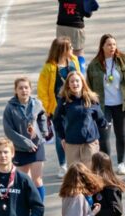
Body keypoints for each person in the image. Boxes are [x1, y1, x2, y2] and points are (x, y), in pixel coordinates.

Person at [86, 34, 125, 175]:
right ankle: (106, 166)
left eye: (114, 44)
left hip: (121, 105)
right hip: (103, 106)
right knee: (104, 136)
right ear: (102, 47)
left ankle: (121, 163)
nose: (112, 47)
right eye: (108, 45)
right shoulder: (94, 65)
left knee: (121, 134)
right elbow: (88, 86)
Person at [37, 36, 82, 175]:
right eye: (70, 47)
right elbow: (42, 89)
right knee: (61, 135)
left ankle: (74, 162)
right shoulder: (49, 67)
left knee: (75, 132)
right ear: (63, 50)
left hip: (74, 103)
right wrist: (46, 108)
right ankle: (62, 164)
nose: (73, 50)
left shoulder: (73, 61)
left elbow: (79, 79)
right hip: (58, 106)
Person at [3, 77, 48, 202]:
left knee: (37, 179)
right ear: (15, 90)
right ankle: (27, 208)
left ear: (30, 89)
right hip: (20, 148)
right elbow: (9, 131)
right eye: (20, 88)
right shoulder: (10, 108)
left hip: (37, 146)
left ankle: (39, 209)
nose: (24, 90)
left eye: (26, 88)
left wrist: (43, 132)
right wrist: (25, 142)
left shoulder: (37, 103)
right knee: (24, 181)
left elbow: (42, 117)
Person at [53, 71, 107, 168]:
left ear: (82, 82)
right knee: (75, 174)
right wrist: (62, 137)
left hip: (89, 143)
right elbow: (57, 119)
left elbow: (100, 119)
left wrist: (100, 132)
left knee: (91, 172)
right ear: (68, 85)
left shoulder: (91, 99)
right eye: (72, 81)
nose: (75, 84)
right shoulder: (65, 101)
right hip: (72, 143)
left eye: (77, 81)